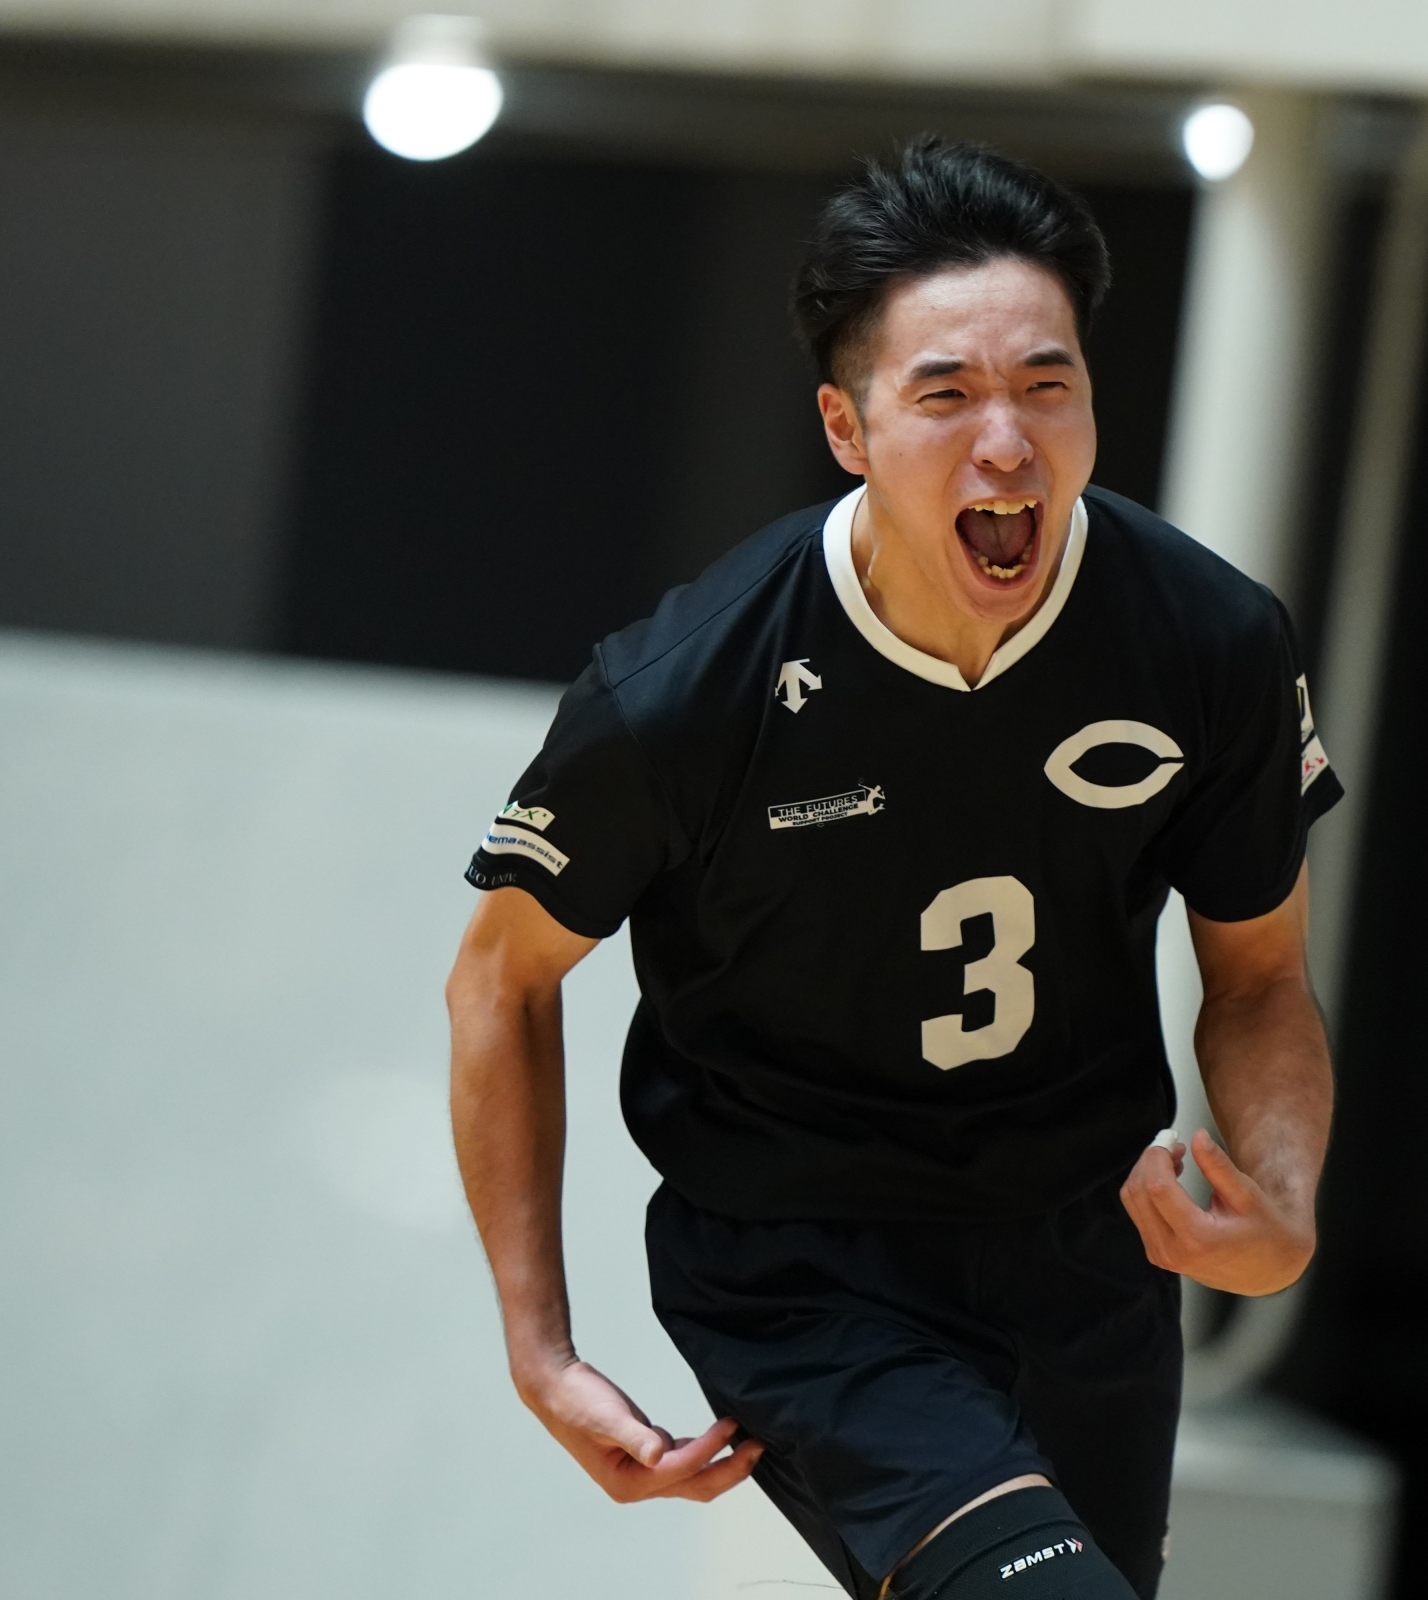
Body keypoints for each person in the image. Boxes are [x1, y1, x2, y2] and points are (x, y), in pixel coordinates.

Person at [446, 135, 1342, 1600]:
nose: (1009, 441)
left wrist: (1285, 1200)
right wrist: (539, 1350)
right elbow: (498, 986)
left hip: (1084, 1253)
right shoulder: (684, 694)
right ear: (845, 428)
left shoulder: (1209, 641)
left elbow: (1257, 978)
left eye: (1047, 385)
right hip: (808, 1266)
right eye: (946, 395)